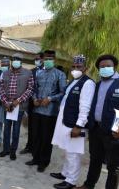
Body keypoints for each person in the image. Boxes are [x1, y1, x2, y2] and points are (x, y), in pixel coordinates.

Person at [50, 55, 96, 189]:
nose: (75, 69)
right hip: (66, 120)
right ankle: (65, 173)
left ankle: (71, 181)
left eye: (79, 67)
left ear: (85, 68)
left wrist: (78, 126)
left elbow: (85, 107)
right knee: (67, 150)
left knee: (73, 153)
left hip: (75, 124)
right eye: (74, 67)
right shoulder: (74, 81)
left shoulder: (87, 83)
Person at [75, 55, 119, 189]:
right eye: (102, 67)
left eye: (108, 66)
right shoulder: (98, 84)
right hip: (96, 129)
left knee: (113, 166)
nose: (105, 68)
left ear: (115, 67)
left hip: (113, 132)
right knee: (95, 159)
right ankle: (89, 185)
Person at [26, 50, 67, 172]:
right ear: (43, 59)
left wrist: (50, 98)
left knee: (46, 137)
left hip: (50, 112)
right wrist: (33, 99)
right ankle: (35, 158)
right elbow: (33, 89)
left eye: (51, 58)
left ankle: (44, 162)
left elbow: (63, 93)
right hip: (37, 109)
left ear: (55, 60)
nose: (49, 60)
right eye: (47, 58)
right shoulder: (39, 73)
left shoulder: (60, 75)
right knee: (36, 135)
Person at [0, 53, 34, 160]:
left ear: (21, 61)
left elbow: (30, 89)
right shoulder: (6, 73)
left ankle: (13, 151)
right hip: (7, 105)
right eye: (14, 59)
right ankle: (6, 149)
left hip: (19, 106)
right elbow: (1, 88)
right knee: (7, 129)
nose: (15, 61)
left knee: (16, 129)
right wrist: (6, 102)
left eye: (18, 59)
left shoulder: (28, 73)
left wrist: (18, 101)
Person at [20, 52, 44, 154]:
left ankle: (36, 149)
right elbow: (28, 87)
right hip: (31, 103)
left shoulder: (49, 72)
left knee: (40, 128)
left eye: (38, 59)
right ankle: (29, 146)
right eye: (35, 59)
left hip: (42, 104)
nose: (36, 60)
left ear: (43, 59)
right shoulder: (31, 72)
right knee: (31, 127)